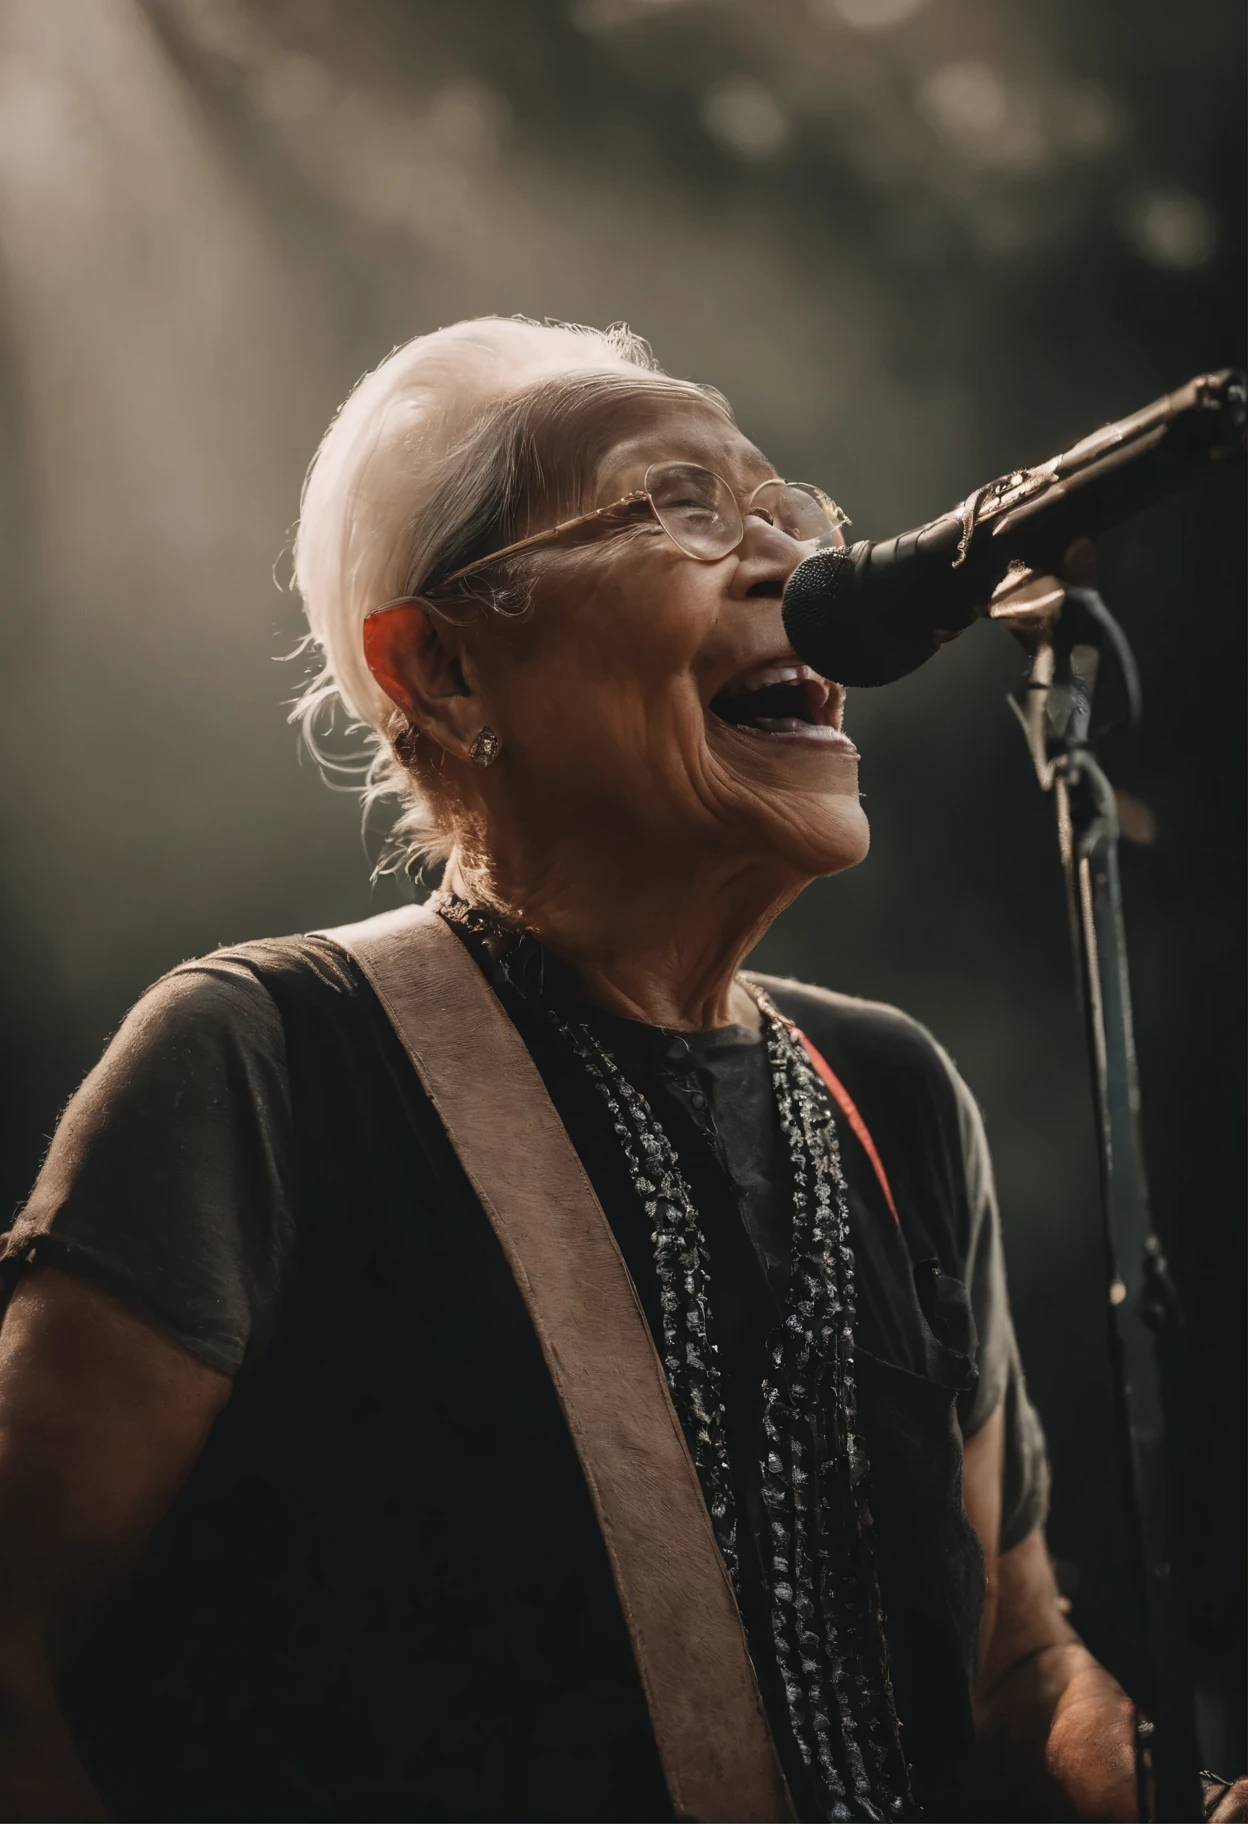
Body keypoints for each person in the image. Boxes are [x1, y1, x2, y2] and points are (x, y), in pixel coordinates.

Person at [0, 316, 1237, 1824]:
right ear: (445, 668)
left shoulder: (892, 1091)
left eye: (791, 509)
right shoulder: (268, 1057)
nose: (800, 563)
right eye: (683, 506)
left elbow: (1016, 1671)